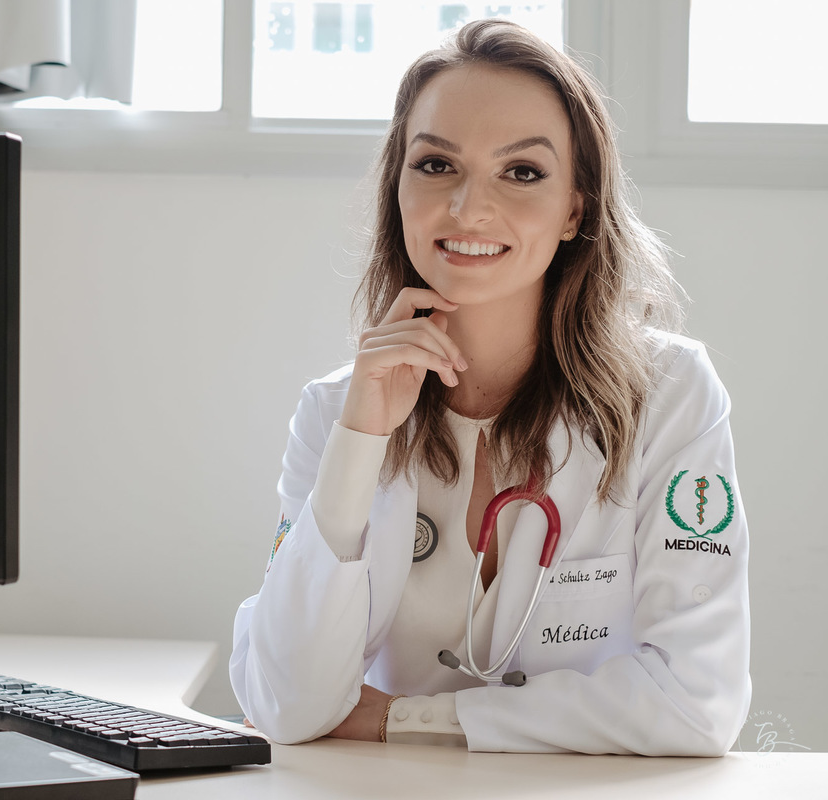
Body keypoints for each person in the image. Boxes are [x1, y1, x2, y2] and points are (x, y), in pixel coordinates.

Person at [229, 19, 750, 756]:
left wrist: (404, 719)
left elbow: (697, 706)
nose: (469, 208)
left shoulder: (670, 395)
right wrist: (360, 442)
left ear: (575, 209)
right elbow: (286, 705)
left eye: (522, 172)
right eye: (436, 164)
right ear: (398, 188)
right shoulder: (335, 412)